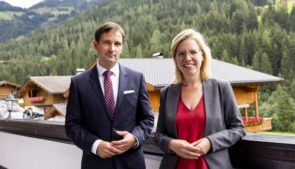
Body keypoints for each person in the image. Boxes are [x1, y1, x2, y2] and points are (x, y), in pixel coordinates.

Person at [65, 22, 154, 169]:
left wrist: (134, 138)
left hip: (132, 163)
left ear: (122, 47)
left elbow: (147, 118)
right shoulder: (78, 83)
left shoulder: (136, 78)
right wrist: (96, 145)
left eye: (117, 44)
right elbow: (71, 126)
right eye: (107, 42)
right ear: (96, 45)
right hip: (96, 164)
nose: (112, 49)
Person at [154, 29, 246, 169]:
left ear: (203, 56)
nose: (187, 58)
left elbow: (238, 129)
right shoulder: (167, 93)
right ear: (175, 59)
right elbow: (159, 134)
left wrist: (210, 142)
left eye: (193, 52)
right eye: (181, 54)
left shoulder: (222, 88)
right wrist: (172, 144)